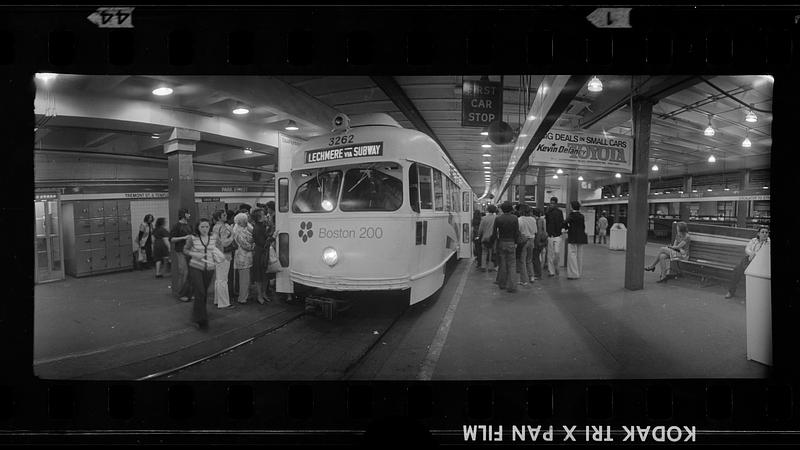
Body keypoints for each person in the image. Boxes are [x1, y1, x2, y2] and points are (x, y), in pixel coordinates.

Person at [183, 218, 218, 330]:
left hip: (210, 268)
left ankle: (199, 314)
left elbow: (219, 248)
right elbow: (185, 250)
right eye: (202, 226)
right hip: (196, 268)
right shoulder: (192, 238)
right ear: (198, 227)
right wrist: (194, 254)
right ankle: (200, 318)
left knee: (204, 293)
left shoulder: (214, 237)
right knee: (200, 292)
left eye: (207, 226)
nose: (204, 229)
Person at [725, 227, 770, 299]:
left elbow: (763, 254)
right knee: (736, 270)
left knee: (748, 272)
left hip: (759, 263)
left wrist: (754, 254)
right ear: (758, 233)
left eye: (766, 232)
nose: (765, 234)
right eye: (762, 232)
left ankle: (751, 296)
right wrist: (751, 253)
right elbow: (747, 249)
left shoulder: (768, 243)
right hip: (748, 260)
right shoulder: (753, 240)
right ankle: (731, 292)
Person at [493, 201, 519, 293]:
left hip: (502, 242)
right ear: (511, 209)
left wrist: (494, 243)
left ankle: (502, 284)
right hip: (511, 242)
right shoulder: (515, 218)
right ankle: (512, 286)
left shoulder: (498, 218)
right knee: (512, 264)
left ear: (502, 209)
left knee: (503, 264)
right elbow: (516, 232)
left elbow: (494, 233)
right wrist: (516, 242)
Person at [211, 209, 235, 309]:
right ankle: (224, 303)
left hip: (217, 253)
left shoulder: (215, 227)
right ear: (219, 217)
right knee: (223, 280)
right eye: (223, 215)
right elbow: (225, 243)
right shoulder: (223, 227)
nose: (226, 216)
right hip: (225, 254)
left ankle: (218, 300)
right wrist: (232, 236)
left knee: (218, 279)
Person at [169, 208, 194, 302]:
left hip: (189, 251)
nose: (189, 215)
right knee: (184, 272)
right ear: (184, 214)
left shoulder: (189, 225)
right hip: (180, 251)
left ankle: (189, 293)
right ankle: (182, 294)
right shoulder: (176, 226)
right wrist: (184, 237)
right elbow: (171, 239)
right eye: (188, 213)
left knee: (190, 273)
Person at [232, 212, 255, 304]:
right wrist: (253, 246)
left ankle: (245, 296)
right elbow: (244, 244)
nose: (247, 221)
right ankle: (242, 298)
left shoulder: (242, 227)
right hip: (242, 257)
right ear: (241, 221)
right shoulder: (237, 230)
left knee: (246, 278)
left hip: (246, 257)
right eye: (245, 219)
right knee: (244, 279)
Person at [562, 201, 588, 280]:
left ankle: (573, 274)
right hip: (581, 237)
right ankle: (579, 273)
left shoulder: (571, 215)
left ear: (572, 207)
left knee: (572, 255)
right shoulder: (582, 216)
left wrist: (567, 228)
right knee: (579, 255)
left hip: (573, 237)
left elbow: (564, 223)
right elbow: (583, 226)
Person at [251, 208, 270, 304]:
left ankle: (264, 293)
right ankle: (259, 295)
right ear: (259, 217)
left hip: (263, 252)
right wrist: (273, 238)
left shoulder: (263, 226)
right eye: (263, 214)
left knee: (265, 275)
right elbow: (263, 243)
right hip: (260, 253)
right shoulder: (257, 228)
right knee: (259, 276)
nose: (266, 216)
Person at [517, 205, 538, 285]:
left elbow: (518, 231)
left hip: (523, 241)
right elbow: (535, 231)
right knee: (529, 260)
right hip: (532, 240)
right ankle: (531, 277)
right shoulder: (533, 219)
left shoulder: (519, 220)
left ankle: (524, 280)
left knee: (522, 261)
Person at [544, 197, 565, 277]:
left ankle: (556, 267)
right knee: (550, 254)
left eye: (553, 203)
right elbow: (546, 222)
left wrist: (560, 231)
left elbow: (562, 222)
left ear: (556, 203)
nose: (551, 204)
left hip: (557, 235)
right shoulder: (548, 212)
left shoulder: (559, 212)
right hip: (550, 235)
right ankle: (551, 271)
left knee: (557, 253)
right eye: (551, 203)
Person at [477, 204, 497, 272]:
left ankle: (483, 266)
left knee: (484, 252)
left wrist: (479, 235)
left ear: (488, 210)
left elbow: (480, 229)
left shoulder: (484, 218)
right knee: (491, 252)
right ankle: (490, 267)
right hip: (493, 238)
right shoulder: (496, 218)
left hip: (485, 237)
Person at [225, 209, 238, 300]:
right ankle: (229, 293)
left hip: (228, 252)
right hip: (227, 252)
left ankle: (230, 292)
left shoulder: (227, 227)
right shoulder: (226, 227)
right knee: (228, 275)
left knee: (229, 274)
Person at [532, 208, 547, 280]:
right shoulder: (542, 220)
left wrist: (537, 243)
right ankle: (537, 273)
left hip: (537, 242)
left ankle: (538, 274)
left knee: (535, 258)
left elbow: (538, 232)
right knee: (537, 258)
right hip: (542, 241)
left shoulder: (537, 221)